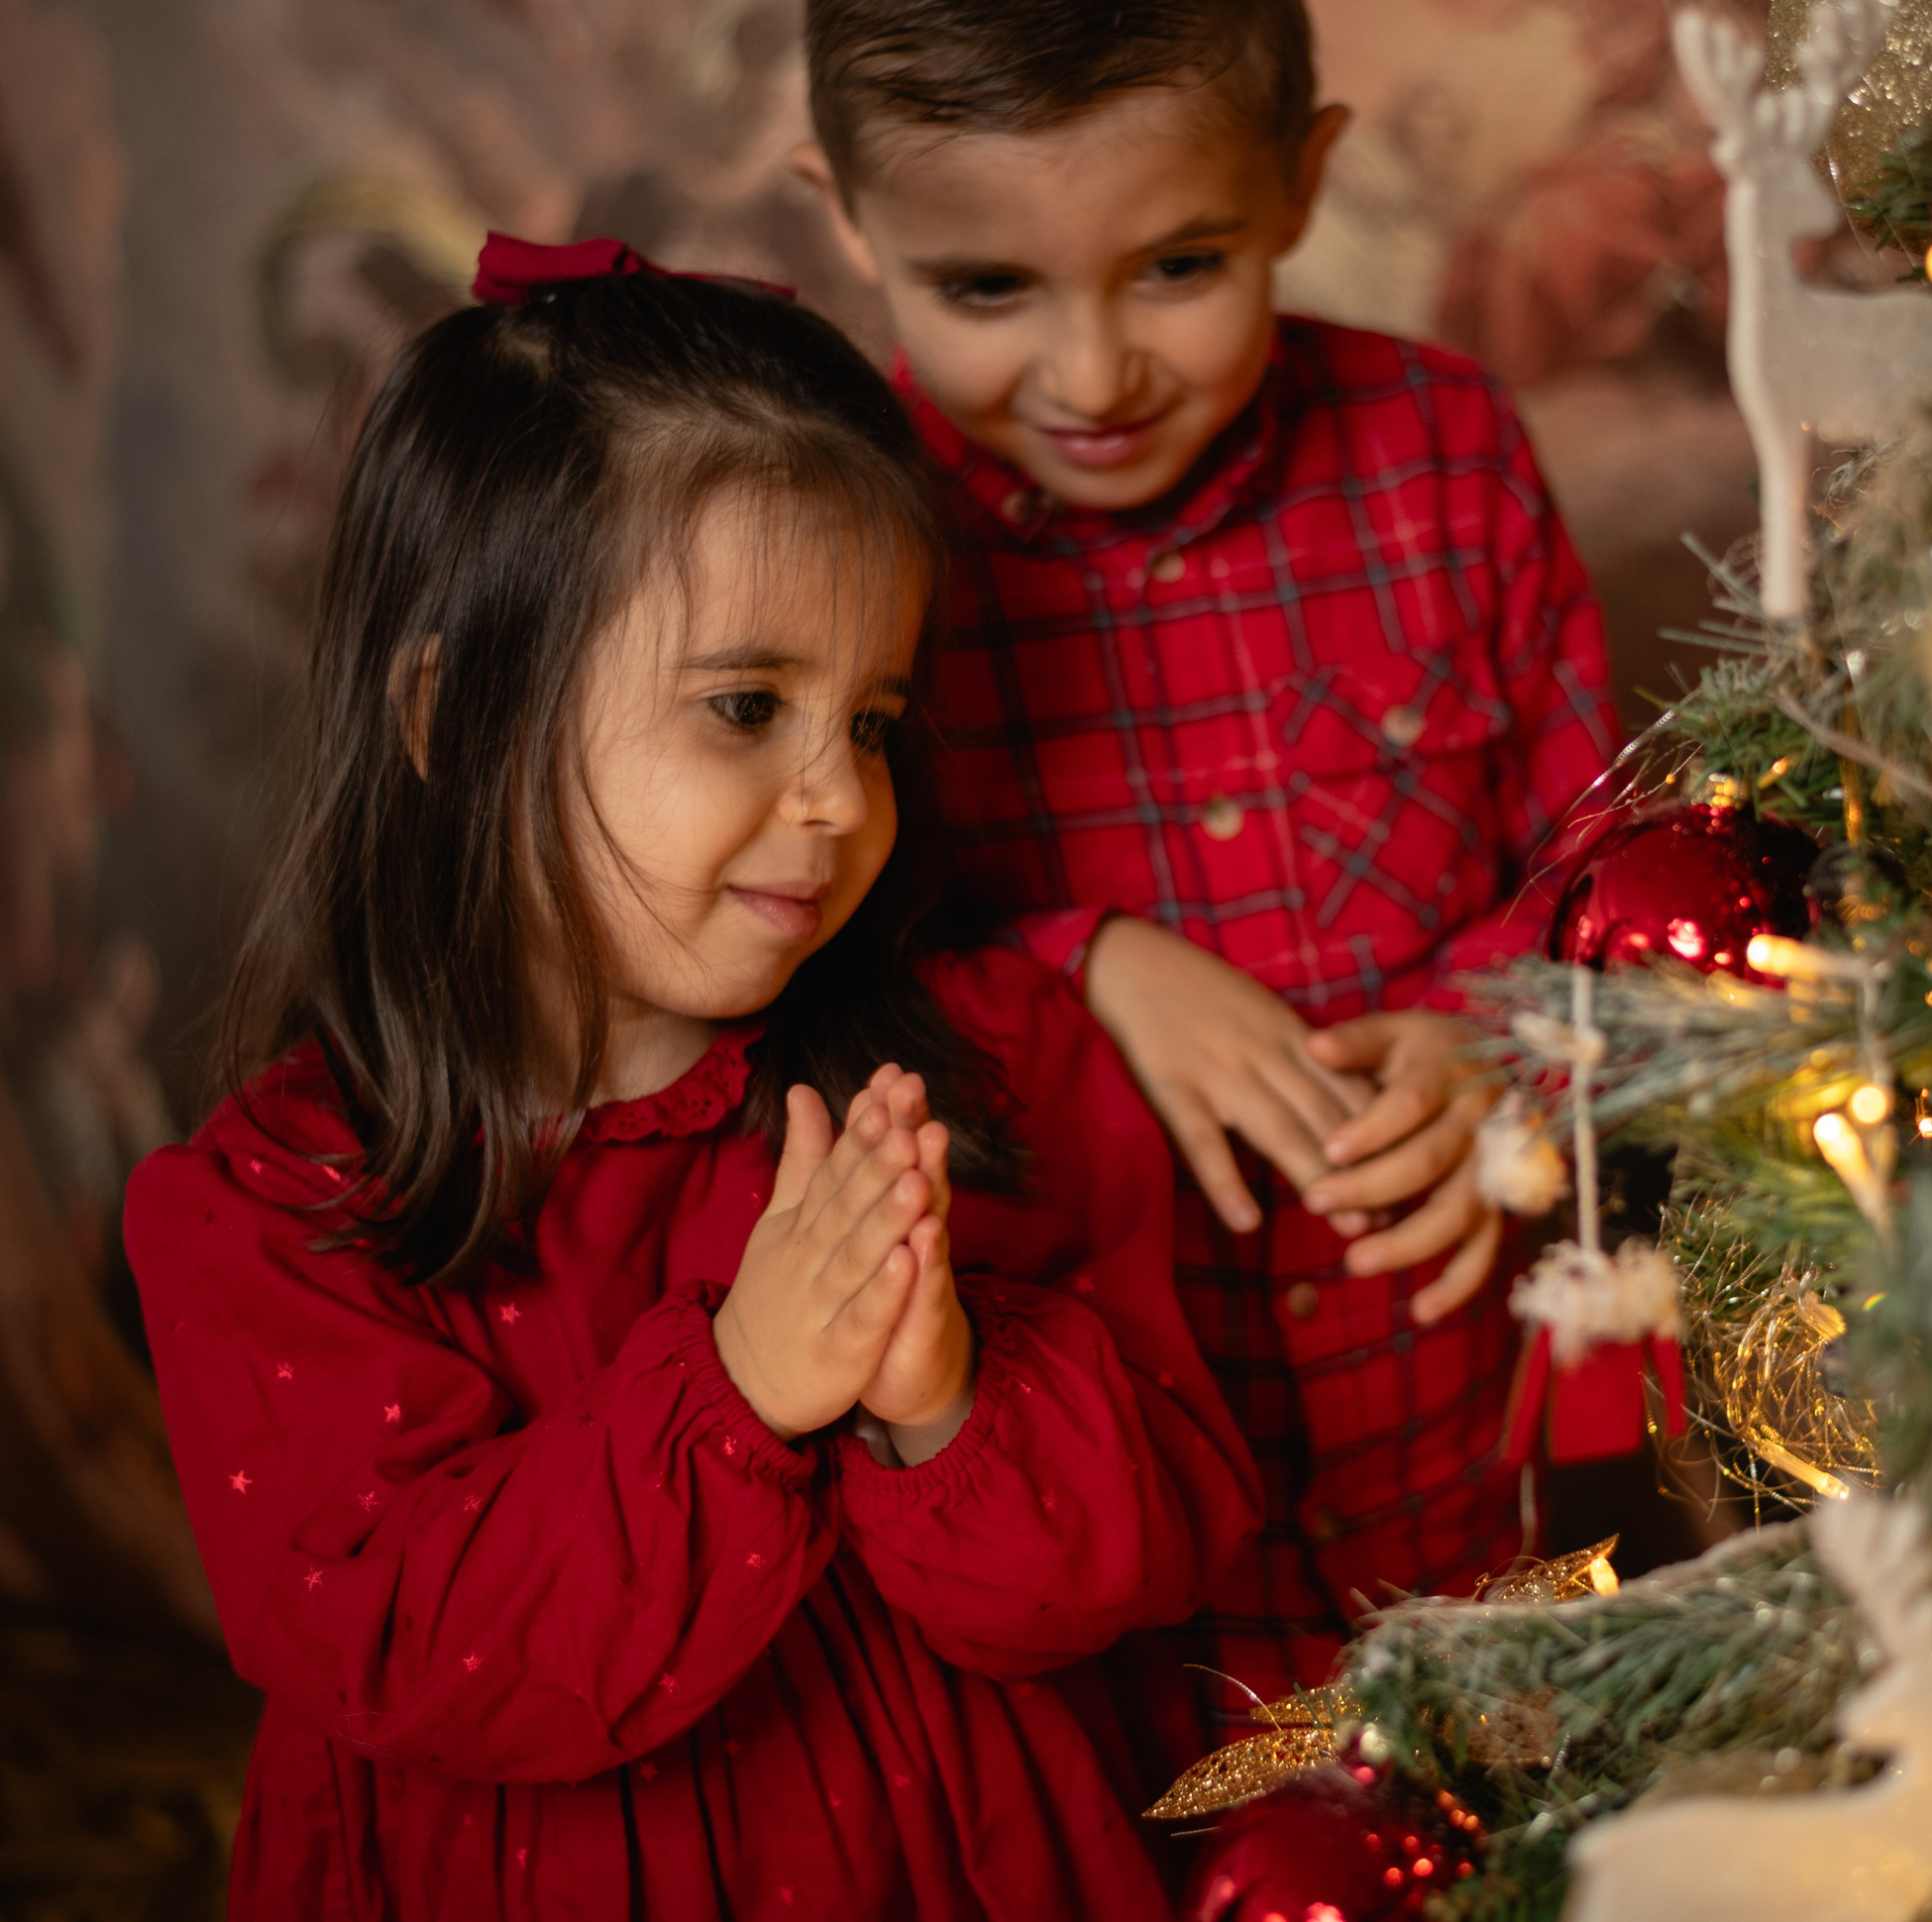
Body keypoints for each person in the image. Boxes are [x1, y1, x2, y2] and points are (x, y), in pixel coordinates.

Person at [121, 237, 1260, 1919]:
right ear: (456, 710)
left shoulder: (972, 1075)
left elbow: (1139, 1560)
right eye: (746, 707)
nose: (835, 800)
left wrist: (940, 1392)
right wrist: (737, 1391)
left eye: (872, 720)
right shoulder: (272, 1213)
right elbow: (417, 1650)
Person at [796, 0, 1618, 1723]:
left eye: (1180, 265)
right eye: (986, 290)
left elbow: (1598, 863)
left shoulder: (1446, 455)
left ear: (1302, 181)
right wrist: (1076, 971)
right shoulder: (832, 549)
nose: (1092, 378)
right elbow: (760, 976)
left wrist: (1498, 1042)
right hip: (1085, 1575)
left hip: (1458, 1477)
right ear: (848, 216)